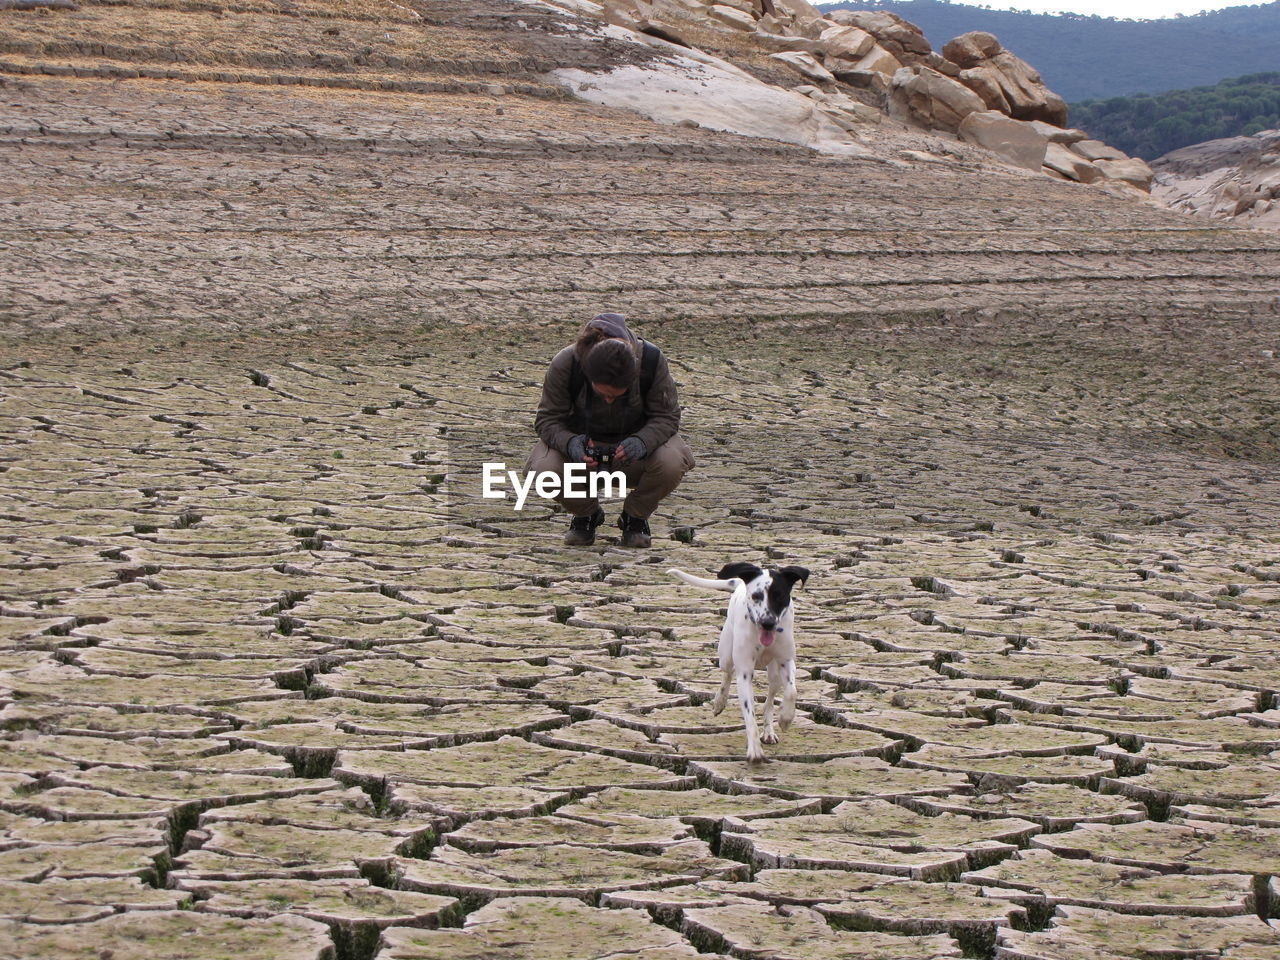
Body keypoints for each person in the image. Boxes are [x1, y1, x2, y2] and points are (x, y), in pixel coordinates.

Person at [526, 313, 694, 547]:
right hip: (583, 457)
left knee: (672, 461)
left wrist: (641, 442)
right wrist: (572, 443)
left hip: (633, 457)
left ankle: (634, 518)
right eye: (602, 393)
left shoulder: (651, 361)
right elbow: (547, 420)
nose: (609, 401)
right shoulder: (566, 363)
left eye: (617, 395)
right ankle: (587, 514)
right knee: (545, 469)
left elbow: (667, 417)